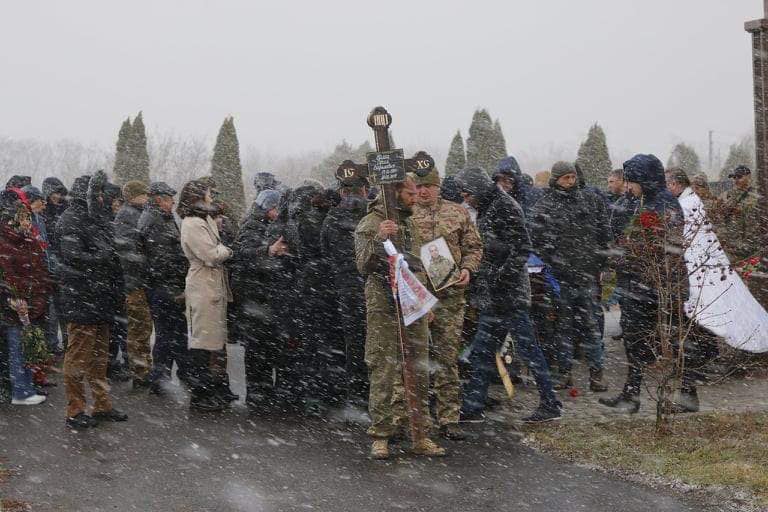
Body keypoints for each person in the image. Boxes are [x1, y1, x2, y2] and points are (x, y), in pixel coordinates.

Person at [454, 167, 562, 424]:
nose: (466, 198)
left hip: (510, 295)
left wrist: (500, 276)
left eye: (468, 193)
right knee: (482, 351)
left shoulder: (505, 206)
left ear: (478, 189)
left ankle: (550, 403)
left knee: (528, 350)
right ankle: (473, 405)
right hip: (494, 296)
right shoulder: (489, 206)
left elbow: (522, 247)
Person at [355, 175, 445, 459]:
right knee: (383, 367)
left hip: (412, 305)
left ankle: (419, 432)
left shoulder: (409, 222)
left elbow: (417, 265)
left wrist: (426, 302)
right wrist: (380, 239)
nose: (415, 196)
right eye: (409, 192)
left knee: (418, 365)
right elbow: (363, 264)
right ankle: (381, 434)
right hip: (382, 304)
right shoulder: (370, 224)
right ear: (393, 193)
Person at [599, 155, 686, 413]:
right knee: (634, 337)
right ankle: (631, 394)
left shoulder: (664, 204)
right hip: (634, 284)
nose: (628, 186)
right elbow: (617, 232)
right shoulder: (634, 201)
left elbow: (670, 247)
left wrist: (633, 251)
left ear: (645, 180)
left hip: (660, 284)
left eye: (632, 181)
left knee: (674, 341)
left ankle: (686, 395)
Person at [412, 167, 482, 441]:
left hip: (450, 294)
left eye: (429, 186)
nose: (424, 192)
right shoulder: (405, 215)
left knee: (447, 357)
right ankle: (417, 418)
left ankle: (448, 416)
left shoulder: (457, 212)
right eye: (419, 187)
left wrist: (468, 268)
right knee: (415, 358)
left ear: (439, 187)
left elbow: (474, 246)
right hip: (416, 294)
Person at [529, 162, 609, 391]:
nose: (570, 182)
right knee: (562, 329)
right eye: (565, 178)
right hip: (560, 278)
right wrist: (553, 260)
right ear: (556, 179)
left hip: (586, 276)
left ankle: (596, 373)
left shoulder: (589, 201)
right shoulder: (545, 205)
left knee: (591, 327)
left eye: (572, 177)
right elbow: (537, 240)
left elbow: (604, 233)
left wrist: (602, 264)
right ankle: (564, 372)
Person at [57, 171, 128, 429]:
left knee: (100, 357)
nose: (103, 198)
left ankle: (101, 404)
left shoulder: (97, 218)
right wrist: (104, 258)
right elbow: (72, 257)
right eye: (98, 194)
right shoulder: (71, 219)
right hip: (81, 297)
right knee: (77, 357)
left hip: (101, 297)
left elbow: (112, 251)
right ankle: (75, 410)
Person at [178, 179, 233, 412]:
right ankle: (200, 395)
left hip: (213, 284)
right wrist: (227, 250)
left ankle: (213, 389)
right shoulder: (192, 224)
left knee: (214, 342)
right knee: (202, 342)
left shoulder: (205, 220)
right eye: (209, 193)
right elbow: (211, 254)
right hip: (203, 285)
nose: (212, 197)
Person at [231, 189, 286, 408]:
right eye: (274, 208)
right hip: (254, 295)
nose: (277, 212)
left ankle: (264, 391)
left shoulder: (265, 225)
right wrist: (268, 251)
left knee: (266, 346)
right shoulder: (252, 226)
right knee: (256, 347)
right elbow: (243, 254)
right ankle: (256, 393)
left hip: (265, 296)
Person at [320, 169, 370, 406]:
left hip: (346, 284)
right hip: (371, 282)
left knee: (353, 338)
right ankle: (374, 388)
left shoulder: (332, 217)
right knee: (376, 337)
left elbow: (325, 249)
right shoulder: (372, 213)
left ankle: (356, 391)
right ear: (365, 189)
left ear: (342, 191)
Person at [138, 182, 189, 395]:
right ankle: (161, 377)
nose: (173, 202)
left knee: (171, 333)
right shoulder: (155, 220)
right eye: (169, 198)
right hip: (164, 286)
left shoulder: (163, 218)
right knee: (168, 334)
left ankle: (166, 375)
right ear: (159, 199)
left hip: (166, 285)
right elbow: (160, 259)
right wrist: (180, 269)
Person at [0, 191, 51, 406]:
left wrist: (45, 286)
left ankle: (26, 387)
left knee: (26, 346)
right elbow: (7, 273)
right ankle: (20, 391)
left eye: (28, 218)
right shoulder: (6, 242)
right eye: (22, 218)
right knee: (17, 347)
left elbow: (38, 268)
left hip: (31, 299)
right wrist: (16, 295)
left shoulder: (28, 239)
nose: (27, 222)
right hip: (16, 302)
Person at [114, 181, 153, 389]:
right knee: (138, 328)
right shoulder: (126, 215)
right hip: (133, 282)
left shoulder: (139, 213)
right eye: (143, 194)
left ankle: (144, 368)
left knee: (144, 328)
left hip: (141, 281)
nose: (147, 197)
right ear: (133, 196)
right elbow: (126, 249)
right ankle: (140, 371)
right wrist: (146, 256)